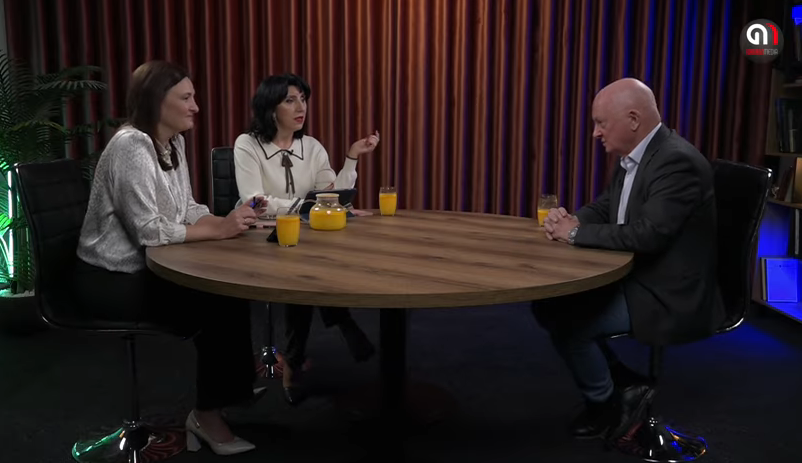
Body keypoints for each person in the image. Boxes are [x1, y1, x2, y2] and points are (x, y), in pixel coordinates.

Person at [73, 61, 267, 456]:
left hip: (147, 266)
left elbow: (187, 208)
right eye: (186, 98)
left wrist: (228, 221)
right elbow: (149, 231)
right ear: (157, 101)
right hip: (109, 278)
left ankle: (227, 394)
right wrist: (219, 231)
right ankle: (207, 415)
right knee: (217, 302)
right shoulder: (131, 146)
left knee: (231, 289)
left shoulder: (172, 143)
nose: (196, 106)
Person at [533, 77, 724, 442]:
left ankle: (605, 405)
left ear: (633, 119)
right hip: (640, 275)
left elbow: (649, 235)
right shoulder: (634, 155)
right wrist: (572, 219)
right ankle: (625, 381)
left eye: (601, 123)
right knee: (546, 304)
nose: (595, 133)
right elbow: (607, 206)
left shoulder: (677, 162)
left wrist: (573, 234)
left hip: (668, 291)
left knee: (572, 324)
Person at [234, 73, 379, 405]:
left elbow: (334, 197)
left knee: (314, 265)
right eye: (290, 100)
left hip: (305, 237)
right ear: (270, 107)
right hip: (260, 238)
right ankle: (340, 323)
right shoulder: (248, 144)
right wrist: (306, 205)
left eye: (303, 99)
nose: (301, 107)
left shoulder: (311, 147)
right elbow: (254, 201)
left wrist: (352, 157)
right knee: (302, 272)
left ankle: (295, 360)